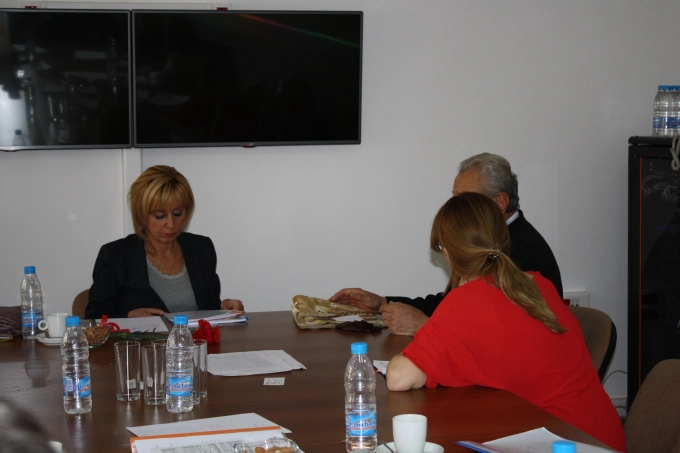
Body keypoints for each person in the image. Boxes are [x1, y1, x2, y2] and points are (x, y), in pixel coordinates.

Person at [385, 193, 625, 451]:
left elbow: (398, 377)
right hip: (600, 437)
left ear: (449, 251)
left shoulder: (468, 300)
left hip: (560, 442)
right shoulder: (539, 284)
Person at [330, 152, 562, 335]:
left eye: (465, 199)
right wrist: (382, 303)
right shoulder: (491, 241)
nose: (454, 207)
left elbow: (498, 338)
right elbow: (453, 303)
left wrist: (424, 326)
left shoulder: (525, 253)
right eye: (455, 197)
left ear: (500, 202)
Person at [85, 165, 243, 319]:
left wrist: (224, 308)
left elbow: (209, 310)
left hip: (193, 338)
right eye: (160, 216)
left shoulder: (201, 248)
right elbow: (93, 319)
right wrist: (127, 318)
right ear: (141, 215)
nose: (171, 224)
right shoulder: (115, 255)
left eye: (177, 213)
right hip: (141, 338)